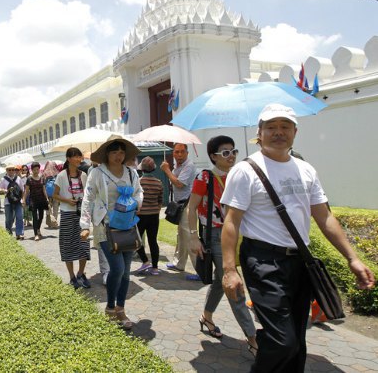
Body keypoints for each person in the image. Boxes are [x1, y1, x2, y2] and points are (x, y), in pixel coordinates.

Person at [221, 104, 375, 372]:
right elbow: (231, 221)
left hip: (301, 262)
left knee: (297, 341)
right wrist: (229, 269)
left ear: (295, 131)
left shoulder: (306, 170)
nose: (278, 132)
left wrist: (353, 258)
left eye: (284, 127)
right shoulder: (245, 170)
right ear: (259, 133)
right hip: (263, 260)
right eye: (271, 127)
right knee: (282, 341)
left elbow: (324, 217)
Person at [186, 135, 257, 354]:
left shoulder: (240, 175)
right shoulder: (205, 176)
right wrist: (193, 236)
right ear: (213, 157)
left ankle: (206, 317)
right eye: (225, 152)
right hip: (216, 234)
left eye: (233, 151)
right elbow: (191, 207)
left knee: (220, 280)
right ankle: (253, 338)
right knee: (232, 282)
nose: (231, 156)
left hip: (240, 233)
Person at [80, 139, 143, 329]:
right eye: (114, 152)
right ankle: (109, 307)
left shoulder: (131, 173)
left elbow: (139, 192)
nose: (119, 155)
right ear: (107, 154)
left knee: (125, 274)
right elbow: (88, 198)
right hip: (105, 226)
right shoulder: (97, 173)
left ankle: (120, 309)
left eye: (122, 152)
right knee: (117, 269)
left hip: (127, 226)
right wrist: (85, 224)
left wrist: (135, 203)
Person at [161, 143, 199, 280]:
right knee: (181, 236)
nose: (179, 154)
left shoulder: (189, 165)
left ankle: (201, 271)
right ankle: (179, 263)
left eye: (182, 152)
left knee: (189, 237)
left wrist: (167, 170)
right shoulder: (179, 166)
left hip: (187, 205)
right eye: (176, 152)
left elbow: (179, 184)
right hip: (181, 205)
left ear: (187, 153)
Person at [53, 148, 90, 289]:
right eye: (75, 157)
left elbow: (88, 194)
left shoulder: (84, 175)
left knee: (84, 245)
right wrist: (68, 201)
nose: (78, 159)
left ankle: (81, 273)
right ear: (68, 159)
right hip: (67, 213)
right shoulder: (62, 176)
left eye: (79, 156)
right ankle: (72, 277)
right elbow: (55, 195)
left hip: (81, 214)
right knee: (67, 245)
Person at [134, 156, 164, 275]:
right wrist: (156, 209)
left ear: (142, 169)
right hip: (154, 216)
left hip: (140, 215)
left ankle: (145, 261)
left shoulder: (138, 182)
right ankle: (155, 268)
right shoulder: (159, 183)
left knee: (136, 240)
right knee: (153, 241)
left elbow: (135, 199)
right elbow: (160, 200)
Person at [0, 165, 26, 239]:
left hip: (18, 201)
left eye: (12, 170)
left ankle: (19, 233)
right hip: (8, 201)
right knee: (9, 219)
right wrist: (4, 190)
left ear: (15, 171)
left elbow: (22, 190)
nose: (11, 171)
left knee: (19, 216)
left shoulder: (18, 178)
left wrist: (23, 200)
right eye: (9, 170)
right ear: (6, 171)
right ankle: (8, 232)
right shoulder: (3, 179)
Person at [23, 162, 49, 241]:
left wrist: (47, 198)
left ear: (39, 169)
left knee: (41, 217)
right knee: (34, 217)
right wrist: (24, 199)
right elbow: (27, 191)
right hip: (33, 200)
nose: (36, 171)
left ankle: (38, 228)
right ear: (32, 170)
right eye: (34, 169)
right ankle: (36, 234)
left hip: (41, 199)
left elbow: (44, 189)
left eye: (37, 169)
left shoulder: (42, 178)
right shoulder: (29, 179)